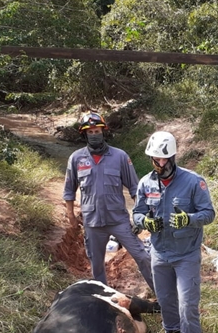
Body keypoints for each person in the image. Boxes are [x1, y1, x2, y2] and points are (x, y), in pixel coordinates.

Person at [132, 131, 216, 333]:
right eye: (155, 160)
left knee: (187, 302)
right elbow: (137, 212)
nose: (159, 165)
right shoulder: (146, 183)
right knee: (167, 301)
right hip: (159, 252)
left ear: (172, 157)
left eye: (163, 160)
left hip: (186, 253)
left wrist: (188, 219)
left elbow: (209, 213)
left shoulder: (193, 181)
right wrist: (145, 222)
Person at [63, 111, 155, 293]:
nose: (95, 135)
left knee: (142, 256)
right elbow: (68, 191)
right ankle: (104, 301)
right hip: (92, 222)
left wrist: (140, 215)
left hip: (118, 220)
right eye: (90, 132)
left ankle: (163, 297)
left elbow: (135, 188)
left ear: (104, 132)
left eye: (98, 131)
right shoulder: (76, 159)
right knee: (96, 267)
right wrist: (71, 216)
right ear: (84, 134)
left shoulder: (120, 157)